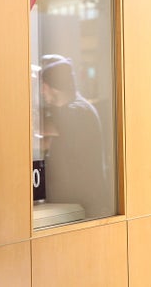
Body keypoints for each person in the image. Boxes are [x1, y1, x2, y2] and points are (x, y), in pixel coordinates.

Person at [39, 54, 111, 218]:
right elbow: (45, 143)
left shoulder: (78, 111)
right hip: (73, 207)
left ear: (53, 86)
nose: (41, 91)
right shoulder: (69, 111)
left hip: (87, 208)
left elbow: (42, 129)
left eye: (43, 85)